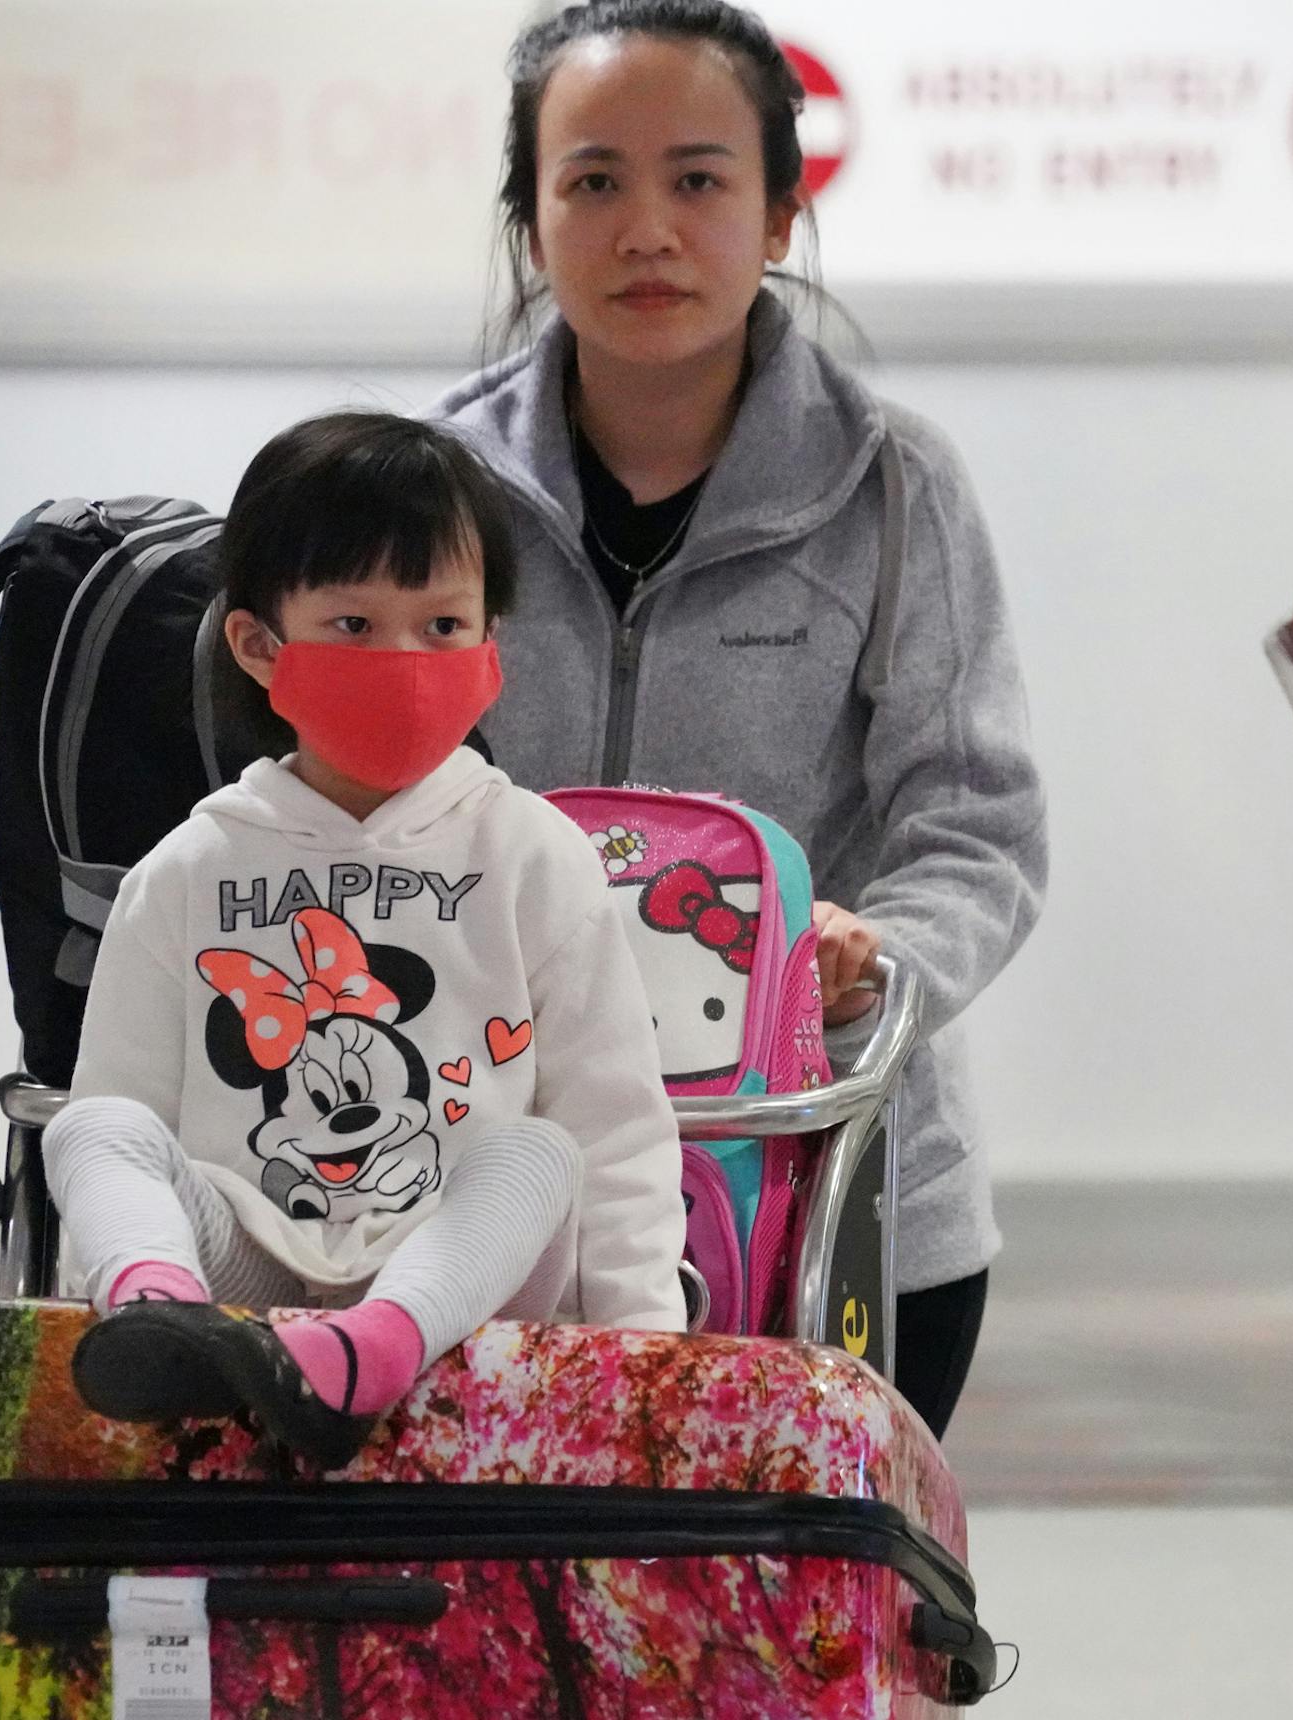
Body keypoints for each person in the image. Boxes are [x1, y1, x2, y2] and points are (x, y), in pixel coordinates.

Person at [432, 0, 1046, 1437]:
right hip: (502, 1199)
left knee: (800, 1650)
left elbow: (980, 827)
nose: (648, 228)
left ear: (779, 213)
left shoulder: (897, 487)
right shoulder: (431, 487)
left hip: (835, 1196)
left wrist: (867, 954)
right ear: (534, 226)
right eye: (594, 181)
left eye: (699, 179)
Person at [43, 412, 687, 1461]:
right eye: (353, 625)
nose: (405, 658)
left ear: (491, 649)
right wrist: (160, 1261)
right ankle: (156, 1322)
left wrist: (647, 1369)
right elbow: (127, 1118)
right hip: (243, 1277)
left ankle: (376, 1344)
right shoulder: (185, 873)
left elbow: (619, 1135)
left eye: (442, 626)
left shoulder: (534, 854)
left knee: (539, 1152)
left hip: (463, 1276)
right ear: (258, 644)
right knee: (89, 1130)